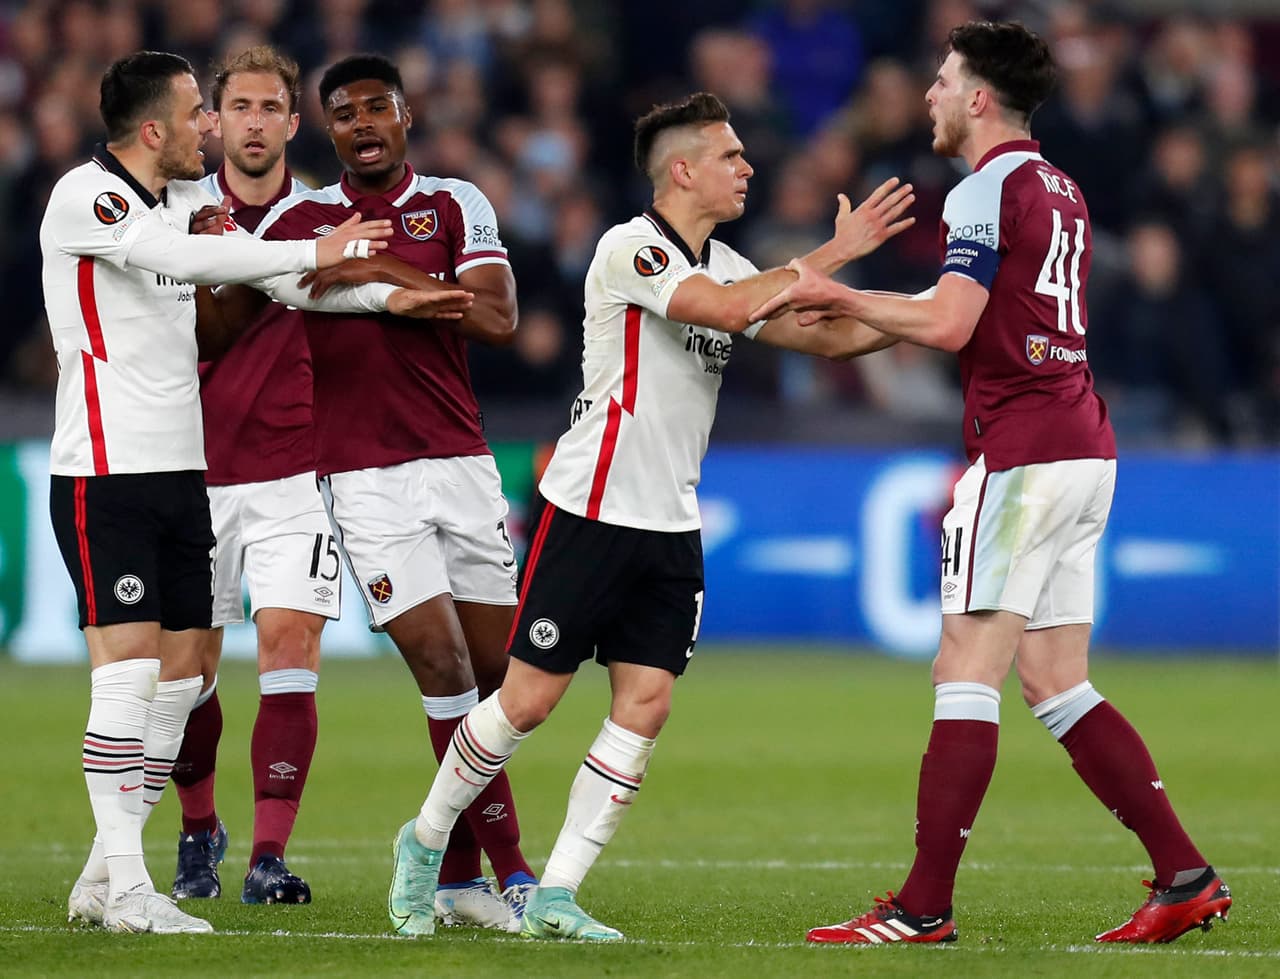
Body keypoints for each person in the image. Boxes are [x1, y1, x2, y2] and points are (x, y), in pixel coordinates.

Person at [386, 91, 916, 941]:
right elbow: (734, 310)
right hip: (592, 507)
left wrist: (937, 311)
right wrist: (835, 252)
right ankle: (422, 841)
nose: (747, 167)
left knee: (647, 704)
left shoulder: (734, 265)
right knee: (526, 701)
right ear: (683, 169)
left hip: (670, 522)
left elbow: (823, 336)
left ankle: (555, 893)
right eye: (731, 154)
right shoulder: (630, 248)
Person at [752, 21, 1231, 946]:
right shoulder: (1061, 185)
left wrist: (841, 292)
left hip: (1021, 453)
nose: (929, 95)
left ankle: (923, 906)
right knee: (1056, 679)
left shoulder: (984, 185)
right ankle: (1185, 874)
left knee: (963, 671)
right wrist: (851, 308)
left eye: (941, 81)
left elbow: (950, 319)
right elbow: (979, 317)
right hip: (1084, 444)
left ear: (978, 99)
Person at [45, 49, 468, 936]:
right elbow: (187, 261)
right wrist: (320, 244)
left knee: (174, 686)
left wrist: (391, 303)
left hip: (181, 475)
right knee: (127, 678)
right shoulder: (90, 197)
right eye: (200, 112)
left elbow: (280, 280)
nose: (212, 128)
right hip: (105, 473)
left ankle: (99, 877)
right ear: (153, 129)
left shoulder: (192, 203)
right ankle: (129, 886)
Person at [255, 54, 548, 932]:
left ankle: (453, 872)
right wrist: (364, 277)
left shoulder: (457, 203)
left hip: (463, 464)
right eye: (343, 114)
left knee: (500, 681)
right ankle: (507, 870)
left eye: (376, 106)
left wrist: (381, 281)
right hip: (365, 477)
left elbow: (497, 321)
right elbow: (289, 284)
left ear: (406, 113)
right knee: (446, 670)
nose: (362, 123)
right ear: (329, 131)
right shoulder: (301, 220)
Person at [165, 45, 330, 907]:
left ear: (292, 124)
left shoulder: (324, 219)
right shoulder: (175, 217)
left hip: (294, 473)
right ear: (213, 121)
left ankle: (269, 855)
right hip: (192, 470)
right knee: (189, 671)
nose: (256, 122)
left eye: (272, 108)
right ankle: (200, 830)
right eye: (242, 108)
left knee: (289, 646)